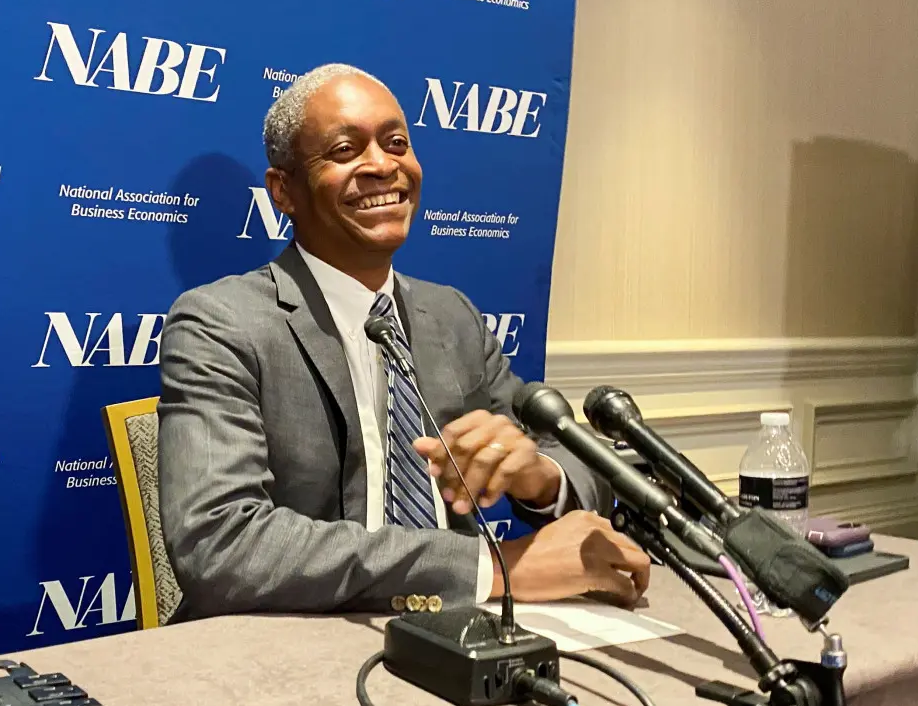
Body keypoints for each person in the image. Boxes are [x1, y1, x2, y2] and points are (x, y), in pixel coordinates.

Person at [156, 62, 649, 622]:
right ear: (284, 191)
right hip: (286, 646)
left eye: (396, 143)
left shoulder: (451, 316)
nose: (381, 165)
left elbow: (582, 470)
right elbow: (221, 545)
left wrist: (536, 475)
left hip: (455, 636)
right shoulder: (219, 323)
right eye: (345, 151)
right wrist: (489, 569)